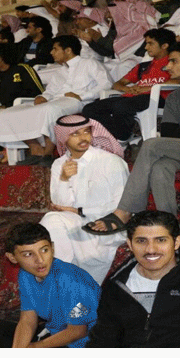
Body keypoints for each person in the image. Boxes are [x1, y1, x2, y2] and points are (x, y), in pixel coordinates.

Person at [84, 42, 180, 235]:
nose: (167, 67)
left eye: (173, 61)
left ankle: (124, 211)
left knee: (151, 145)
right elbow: (168, 132)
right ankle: (168, 225)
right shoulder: (174, 97)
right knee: (160, 167)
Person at [85, 211, 180, 348]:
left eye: (160, 240)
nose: (150, 249)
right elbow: (103, 341)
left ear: (176, 242)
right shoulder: (116, 287)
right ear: (130, 245)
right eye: (141, 241)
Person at [0, 223, 100, 348]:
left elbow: (78, 331)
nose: (40, 260)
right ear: (12, 258)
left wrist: (35, 348)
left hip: (82, 346)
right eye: (28, 254)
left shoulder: (71, 280)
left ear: (52, 248)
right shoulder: (26, 274)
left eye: (44, 250)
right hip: (51, 335)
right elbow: (28, 320)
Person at [38, 116, 129, 284]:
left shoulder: (111, 162)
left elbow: (123, 207)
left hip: (106, 225)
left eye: (86, 132)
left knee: (58, 229)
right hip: (75, 223)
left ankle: (63, 283)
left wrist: (81, 211)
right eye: (75, 134)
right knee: (51, 219)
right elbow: (60, 206)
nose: (83, 137)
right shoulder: (59, 164)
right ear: (64, 137)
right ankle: (63, 281)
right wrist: (64, 179)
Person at [0, 35, 112, 166]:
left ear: (68, 50)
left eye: (55, 49)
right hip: (56, 101)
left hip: (78, 101)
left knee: (49, 109)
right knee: (8, 113)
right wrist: (43, 97)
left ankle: (48, 153)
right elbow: (51, 91)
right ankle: (36, 149)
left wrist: (82, 96)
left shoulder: (89, 63)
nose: (51, 52)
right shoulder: (60, 71)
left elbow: (106, 84)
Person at [81, 28, 175, 142]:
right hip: (133, 97)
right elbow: (117, 84)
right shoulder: (143, 66)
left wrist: (147, 88)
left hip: (158, 97)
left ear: (164, 45)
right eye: (146, 43)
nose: (146, 47)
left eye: (150, 44)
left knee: (121, 106)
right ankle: (119, 134)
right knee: (89, 109)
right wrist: (127, 89)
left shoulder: (174, 64)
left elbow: (179, 81)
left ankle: (122, 136)